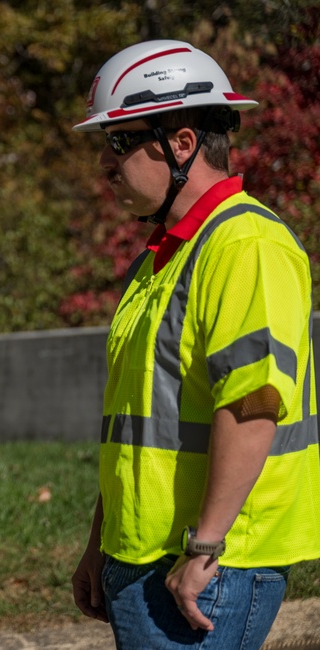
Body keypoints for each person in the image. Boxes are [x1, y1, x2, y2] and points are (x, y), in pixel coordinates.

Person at [70, 39, 320, 649]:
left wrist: (206, 547)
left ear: (181, 143)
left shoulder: (245, 247)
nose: (106, 162)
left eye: (120, 141)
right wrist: (100, 544)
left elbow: (254, 403)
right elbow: (135, 423)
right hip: (143, 552)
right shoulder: (162, 259)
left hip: (211, 565)